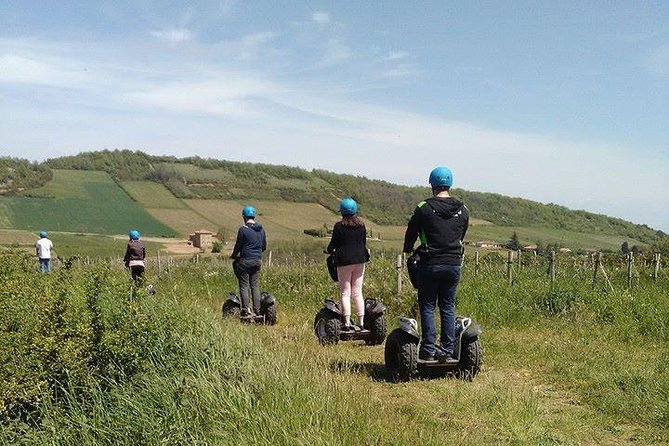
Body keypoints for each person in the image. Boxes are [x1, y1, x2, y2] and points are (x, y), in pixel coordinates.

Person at [403, 166, 469, 362]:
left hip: (430, 263)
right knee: (448, 306)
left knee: (428, 305)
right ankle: (448, 351)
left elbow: (412, 232)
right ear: (450, 184)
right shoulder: (463, 209)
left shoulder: (424, 207)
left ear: (432, 184)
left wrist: (408, 248)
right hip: (453, 263)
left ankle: (429, 350)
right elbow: (461, 235)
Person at [326, 198, 370, 332]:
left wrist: (329, 250)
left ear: (342, 212)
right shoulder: (362, 225)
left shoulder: (339, 226)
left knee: (345, 292)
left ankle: (346, 323)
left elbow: (333, 244)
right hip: (360, 260)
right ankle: (361, 323)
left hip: (344, 261)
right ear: (355, 211)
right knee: (357, 292)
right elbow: (363, 242)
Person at [231, 205, 267, 317]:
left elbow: (238, 246)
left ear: (244, 217)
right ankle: (257, 311)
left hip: (245, 261)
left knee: (244, 285)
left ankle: (245, 311)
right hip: (257, 261)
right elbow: (264, 247)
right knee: (255, 285)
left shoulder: (243, 230)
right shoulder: (261, 229)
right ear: (254, 216)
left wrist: (233, 255)